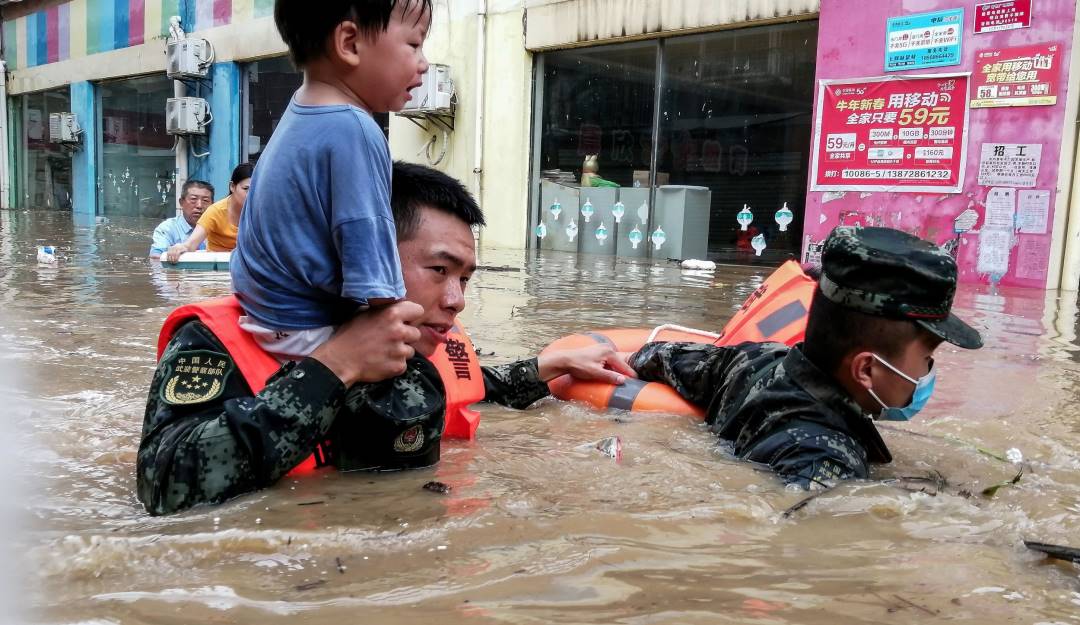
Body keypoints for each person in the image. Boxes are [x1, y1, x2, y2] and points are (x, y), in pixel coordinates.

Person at [137, 162, 632, 515]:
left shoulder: (419, 339)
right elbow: (163, 485)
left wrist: (550, 367)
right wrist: (334, 367)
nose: (458, 299)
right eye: (439, 270)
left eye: (466, 278)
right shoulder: (220, 340)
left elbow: (474, 386)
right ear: (363, 254)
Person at [624, 226, 983, 489]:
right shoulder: (826, 461)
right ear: (867, 369)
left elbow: (659, 355)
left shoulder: (753, 359)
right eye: (927, 358)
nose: (928, 373)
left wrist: (622, 359)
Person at [229, 0, 432, 362]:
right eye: (414, 45)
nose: (424, 63)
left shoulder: (301, 110)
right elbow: (374, 271)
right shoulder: (354, 128)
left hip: (267, 316)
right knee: (422, 370)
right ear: (349, 44)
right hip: (308, 331)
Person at [165, 163, 253, 261]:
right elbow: (191, 244)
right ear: (232, 186)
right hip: (217, 268)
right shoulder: (215, 211)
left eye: (256, 189)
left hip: (248, 267)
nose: (251, 194)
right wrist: (180, 247)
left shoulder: (263, 213)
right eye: (246, 189)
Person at [148, 180, 213, 259]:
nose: (199, 205)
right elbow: (155, 257)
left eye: (205, 200)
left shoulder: (219, 226)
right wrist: (171, 256)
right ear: (181, 203)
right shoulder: (167, 228)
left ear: (213, 205)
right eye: (193, 199)